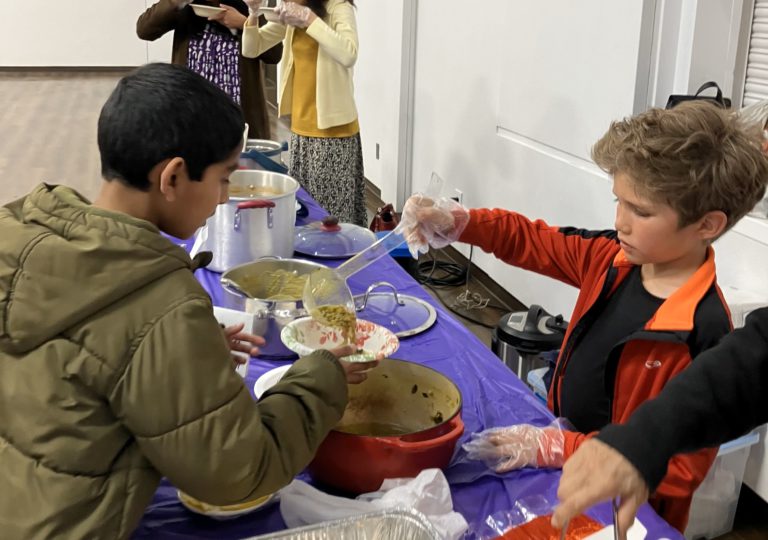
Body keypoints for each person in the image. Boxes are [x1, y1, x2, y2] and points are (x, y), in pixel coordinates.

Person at [0, 63, 377, 540]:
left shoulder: (21, 232)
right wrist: (321, 379)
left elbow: (80, 363)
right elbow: (237, 472)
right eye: (223, 179)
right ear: (173, 176)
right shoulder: (161, 304)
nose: (224, 199)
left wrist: (178, 354)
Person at [399, 101, 768, 531]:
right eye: (619, 201)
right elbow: (534, 240)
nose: (620, 221)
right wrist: (459, 223)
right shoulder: (611, 257)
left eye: (641, 211)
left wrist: (560, 446)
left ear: (707, 225)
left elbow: (676, 469)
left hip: (620, 510)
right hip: (557, 457)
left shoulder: (702, 329)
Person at [552, 305, 768, 538]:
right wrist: (643, 439)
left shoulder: (703, 324)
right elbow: (755, 358)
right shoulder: (616, 275)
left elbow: (684, 469)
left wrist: (563, 445)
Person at [240, 0, 367, 225]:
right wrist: (253, 12)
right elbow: (252, 48)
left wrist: (310, 19)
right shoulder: (293, 16)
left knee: (332, 217)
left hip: (333, 133)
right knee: (306, 210)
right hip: (301, 129)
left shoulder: (338, 7)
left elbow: (349, 53)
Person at [137, 0, 282, 139]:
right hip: (189, 107)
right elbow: (144, 30)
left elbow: (274, 55)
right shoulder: (186, 5)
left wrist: (245, 23)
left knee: (239, 161)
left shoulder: (250, 4)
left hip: (238, 112)